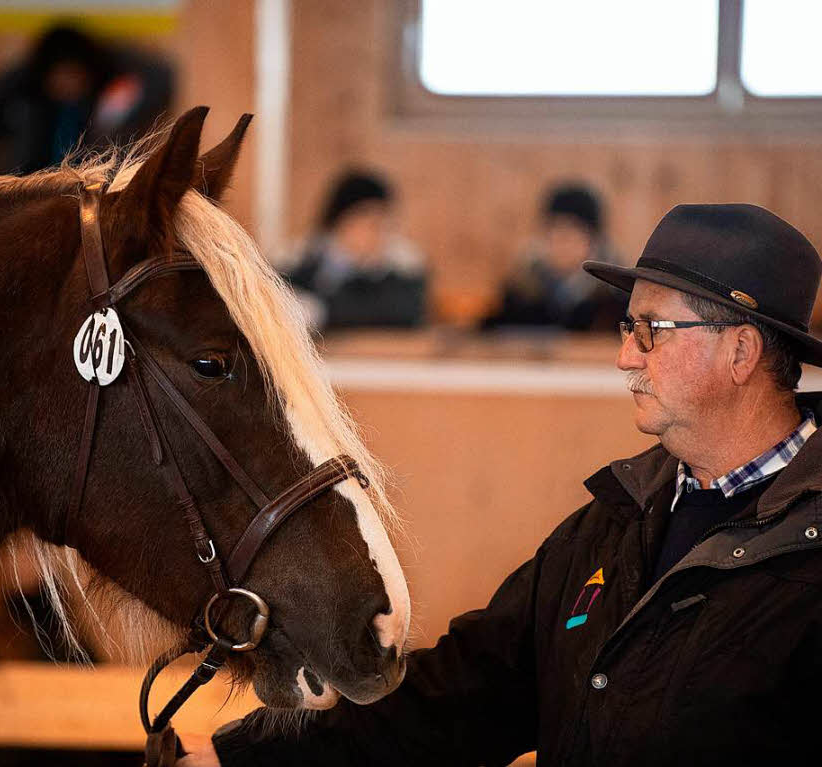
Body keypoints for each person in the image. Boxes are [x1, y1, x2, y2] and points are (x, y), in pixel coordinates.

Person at [182, 204, 822, 766]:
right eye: (628, 330)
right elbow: (455, 692)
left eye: (651, 330)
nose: (626, 356)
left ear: (741, 353)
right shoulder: (615, 521)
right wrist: (243, 758)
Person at [0, 24, 173, 174]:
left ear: (89, 73)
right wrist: (24, 69)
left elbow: (161, 77)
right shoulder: (28, 107)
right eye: (59, 75)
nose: (67, 83)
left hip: (89, 197)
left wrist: (106, 50)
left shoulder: (107, 107)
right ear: (44, 75)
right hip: (33, 198)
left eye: (74, 74)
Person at [283, 169, 427, 330]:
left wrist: (321, 311)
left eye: (383, 224)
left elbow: (401, 311)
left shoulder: (403, 266)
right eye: (369, 223)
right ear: (340, 222)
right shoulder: (300, 259)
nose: (378, 234)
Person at [484, 183, 626, 331]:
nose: (561, 243)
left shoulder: (613, 300)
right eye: (554, 232)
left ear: (594, 241)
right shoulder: (521, 293)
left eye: (571, 233)